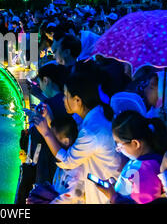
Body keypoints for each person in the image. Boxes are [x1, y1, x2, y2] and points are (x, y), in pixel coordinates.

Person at [33, 66, 121, 204]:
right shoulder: (93, 115)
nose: (63, 99)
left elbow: (67, 161)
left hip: (103, 195)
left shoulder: (91, 131)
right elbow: (72, 131)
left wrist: (46, 133)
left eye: (66, 95)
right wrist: (49, 120)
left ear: (78, 100)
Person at [95, 111, 167, 204]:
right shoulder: (142, 162)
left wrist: (113, 196)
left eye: (119, 145)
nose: (118, 149)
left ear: (135, 143)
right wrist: (118, 187)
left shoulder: (145, 171)